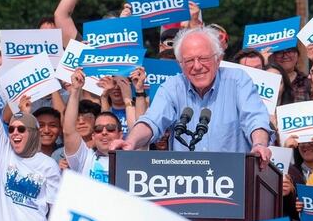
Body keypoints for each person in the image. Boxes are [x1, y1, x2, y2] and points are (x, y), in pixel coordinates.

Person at [113, 26, 272, 159]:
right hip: (186, 183)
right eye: (189, 60)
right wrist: (130, 142)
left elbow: (255, 118)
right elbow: (152, 121)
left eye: (203, 58)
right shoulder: (171, 87)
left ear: (218, 59)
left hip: (234, 182)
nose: (197, 66)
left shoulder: (238, 80)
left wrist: (258, 145)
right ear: (180, 64)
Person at [0, 57, 61, 221]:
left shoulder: (49, 165)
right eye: (12, 129)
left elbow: (55, 210)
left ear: (33, 133)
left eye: (21, 129)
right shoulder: (4, 153)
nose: (14, 133)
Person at [64, 69, 124, 183]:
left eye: (110, 128)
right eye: (98, 129)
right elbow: (69, 131)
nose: (104, 132)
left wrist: (139, 92)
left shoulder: (131, 160)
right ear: (93, 136)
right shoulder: (85, 157)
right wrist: (76, 90)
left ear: (120, 134)